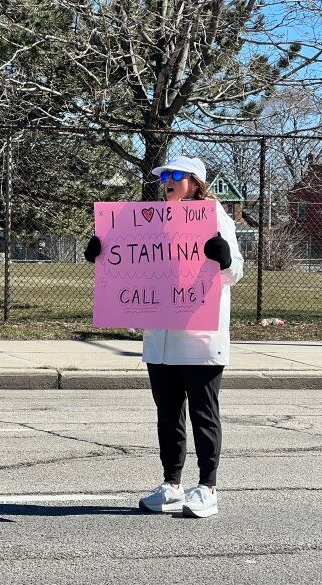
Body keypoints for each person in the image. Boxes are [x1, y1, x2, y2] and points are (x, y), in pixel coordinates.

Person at [84, 156, 243, 518]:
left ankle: (207, 487)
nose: (167, 181)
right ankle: (172, 485)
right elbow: (131, 264)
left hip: (200, 337)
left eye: (175, 176)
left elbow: (235, 273)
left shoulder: (216, 217)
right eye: (164, 176)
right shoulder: (148, 220)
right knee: (167, 414)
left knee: (204, 414)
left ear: (195, 182)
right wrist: (100, 255)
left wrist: (225, 260)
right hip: (160, 337)